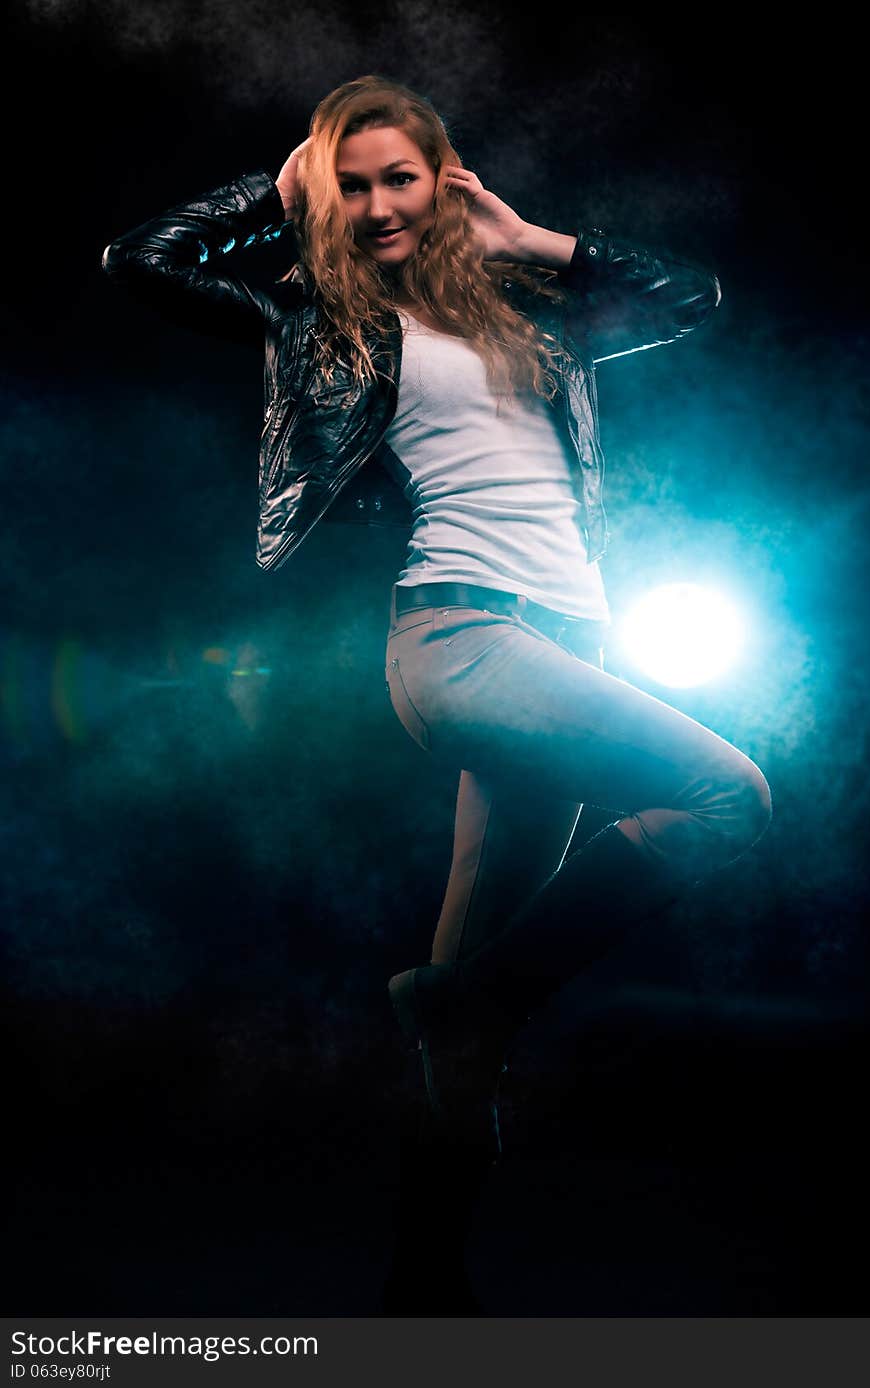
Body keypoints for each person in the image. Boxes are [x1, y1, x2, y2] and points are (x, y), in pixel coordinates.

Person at [102, 74, 772, 1313]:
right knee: (728, 797)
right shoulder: (313, 320)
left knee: (466, 1045)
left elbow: (697, 296)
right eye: (347, 184)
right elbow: (142, 258)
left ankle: (424, 1285)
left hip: (573, 645)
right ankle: (461, 1002)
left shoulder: (527, 318)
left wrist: (528, 239)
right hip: (459, 640)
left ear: (443, 178)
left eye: (395, 177)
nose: (373, 206)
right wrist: (271, 188)